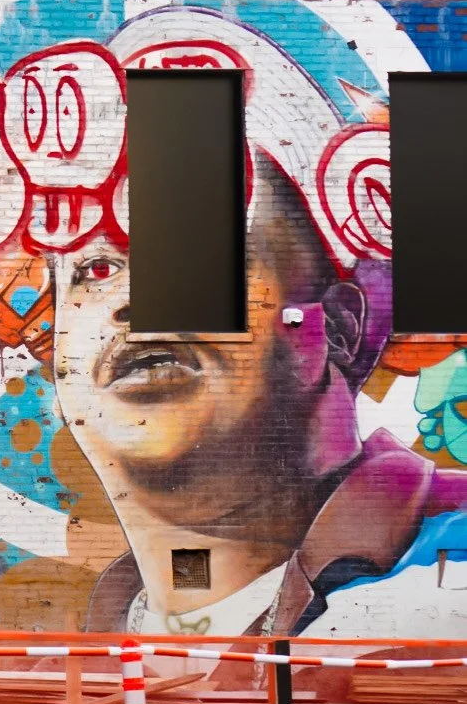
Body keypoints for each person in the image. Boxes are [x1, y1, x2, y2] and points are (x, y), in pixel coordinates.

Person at [53, 155, 467, 639]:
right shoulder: (71, 666)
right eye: (96, 269)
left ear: (337, 327)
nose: (132, 299)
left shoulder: (450, 554)